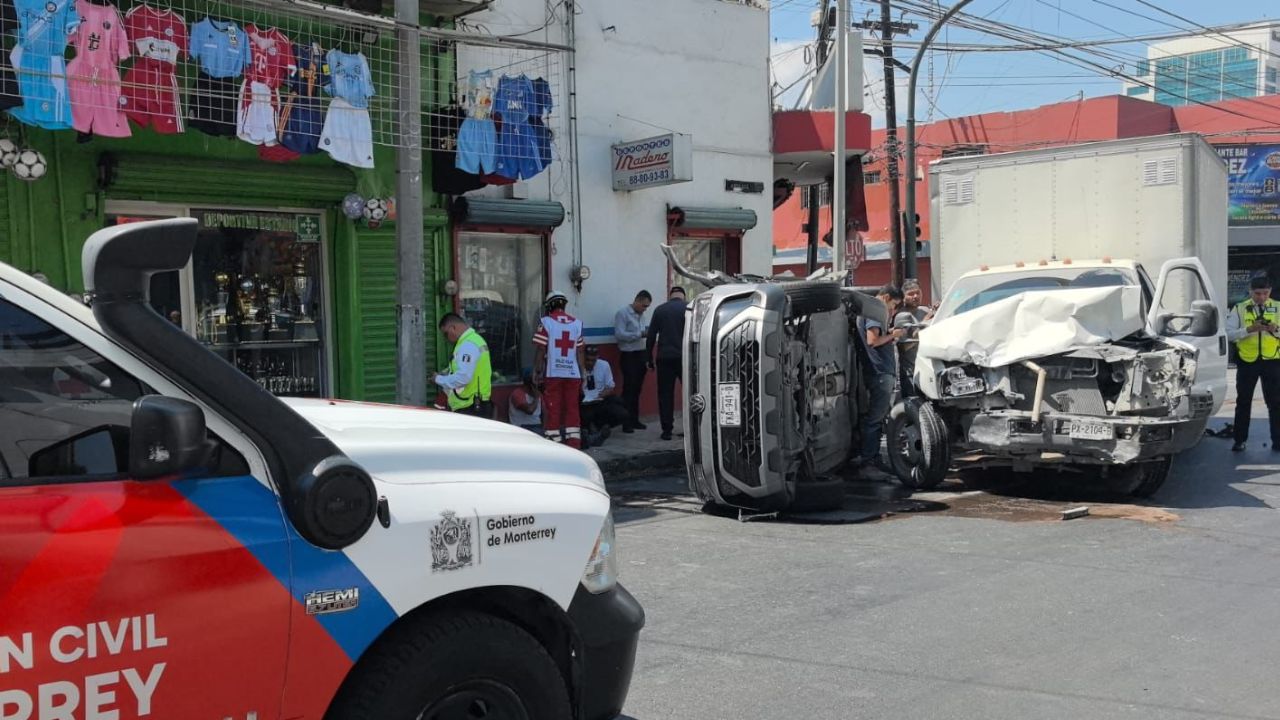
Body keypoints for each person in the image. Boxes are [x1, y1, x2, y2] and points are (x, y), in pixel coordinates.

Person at [856, 285, 906, 479]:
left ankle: (874, 459)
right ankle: (869, 463)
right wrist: (893, 335)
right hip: (879, 373)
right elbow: (872, 340)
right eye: (893, 305)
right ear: (885, 297)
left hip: (878, 373)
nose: (892, 311)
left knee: (876, 418)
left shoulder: (870, 311)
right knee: (875, 419)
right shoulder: (875, 311)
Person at [1229, 275, 1280, 452]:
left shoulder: (1278, 307)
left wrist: (1276, 329)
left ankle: (1278, 441)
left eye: (1265, 293)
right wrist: (1249, 330)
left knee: (1276, 402)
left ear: (1270, 292)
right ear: (1250, 291)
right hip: (1247, 361)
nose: (1261, 297)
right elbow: (1229, 334)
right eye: (1257, 293)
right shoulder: (1239, 308)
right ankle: (1239, 440)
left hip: (1272, 360)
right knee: (1243, 401)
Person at [534, 290, 586, 449]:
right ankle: (574, 444)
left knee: (553, 408)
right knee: (572, 409)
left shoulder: (546, 322)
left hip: (553, 373)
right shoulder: (577, 323)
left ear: (549, 306)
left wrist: (537, 372)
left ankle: (554, 445)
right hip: (573, 374)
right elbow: (580, 351)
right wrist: (582, 374)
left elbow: (541, 349)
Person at [433, 313, 493, 417]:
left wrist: (437, 379)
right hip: (474, 405)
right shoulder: (474, 340)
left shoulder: (468, 345)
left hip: (470, 407)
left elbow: (463, 377)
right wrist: (445, 374)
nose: (445, 338)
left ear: (453, 328)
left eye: (445, 333)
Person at [647, 286, 688, 441]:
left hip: (664, 358)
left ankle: (667, 431)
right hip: (685, 358)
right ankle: (690, 430)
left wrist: (648, 358)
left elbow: (651, 335)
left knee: (665, 395)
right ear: (683, 296)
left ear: (670, 296)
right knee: (690, 394)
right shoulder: (689, 308)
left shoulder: (660, 310)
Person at [614, 290, 653, 433]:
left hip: (640, 353)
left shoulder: (642, 316)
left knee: (637, 388)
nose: (645, 309)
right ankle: (626, 422)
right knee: (629, 388)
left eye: (647, 307)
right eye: (643, 306)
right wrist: (639, 334)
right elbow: (619, 334)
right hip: (629, 354)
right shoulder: (623, 314)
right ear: (636, 301)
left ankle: (635, 419)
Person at [580, 346, 631, 447]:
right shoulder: (578, 366)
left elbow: (610, 386)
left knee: (622, 412)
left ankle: (601, 427)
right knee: (585, 414)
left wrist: (601, 395)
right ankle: (591, 432)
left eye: (593, 360)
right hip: (583, 402)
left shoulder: (604, 365)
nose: (590, 363)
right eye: (588, 360)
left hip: (600, 399)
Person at [895, 279, 934, 397]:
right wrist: (924, 324)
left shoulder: (925, 311)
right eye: (911, 294)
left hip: (928, 369)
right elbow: (904, 347)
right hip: (911, 372)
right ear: (904, 297)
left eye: (917, 293)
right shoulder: (902, 316)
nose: (915, 296)